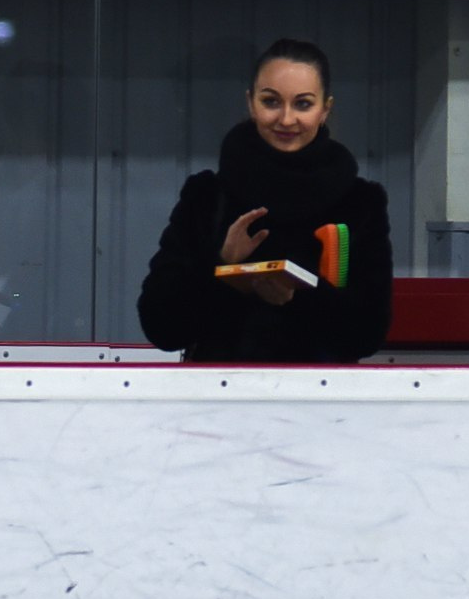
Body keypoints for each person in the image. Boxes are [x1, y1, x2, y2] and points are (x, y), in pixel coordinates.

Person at [137, 39, 393, 362]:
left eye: (303, 104)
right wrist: (223, 270)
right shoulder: (207, 198)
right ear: (251, 103)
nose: (286, 120)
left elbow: (367, 334)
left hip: (321, 403)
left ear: (325, 109)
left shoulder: (359, 204)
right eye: (271, 101)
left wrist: (299, 294)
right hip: (217, 401)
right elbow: (160, 326)